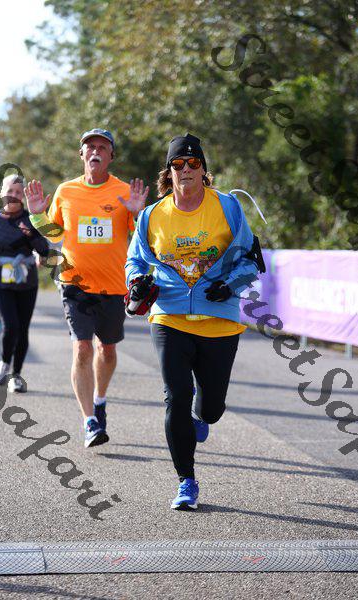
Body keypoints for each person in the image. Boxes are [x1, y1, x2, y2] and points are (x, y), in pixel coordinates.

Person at [126, 133, 263, 510]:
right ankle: (186, 481)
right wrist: (136, 283)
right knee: (175, 396)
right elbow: (135, 261)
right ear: (168, 173)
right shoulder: (151, 215)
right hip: (169, 316)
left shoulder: (228, 207)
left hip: (219, 319)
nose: (185, 169)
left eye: (193, 163)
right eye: (178, 164)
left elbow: (251, 259)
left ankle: (202, 417)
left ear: (204, 170)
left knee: (211, 408)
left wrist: (229, 285)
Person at [25, 128, 149, 448]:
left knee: (107, 349)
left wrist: (138, 213)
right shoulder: (66, 191)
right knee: (82, 347)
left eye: (102, 147)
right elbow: (55, 233)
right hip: (75, 284)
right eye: (90, 146)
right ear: (81, 155)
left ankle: (100, 399)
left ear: (111, 156)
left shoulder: (124, 192)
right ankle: (89, 421)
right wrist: (37, 214)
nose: (95, 151)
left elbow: (143, 238)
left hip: (113, 285)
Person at [0, 174, 50, 392]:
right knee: (10, 326)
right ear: (2, 192)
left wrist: (31, 234)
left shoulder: (30, 219)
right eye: (10, 191)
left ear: (23, 197)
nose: (13, 195)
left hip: (26, 281)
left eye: (18, 192)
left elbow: (44, 250)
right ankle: (4, 362)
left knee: (22, 329)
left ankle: (16, 376)